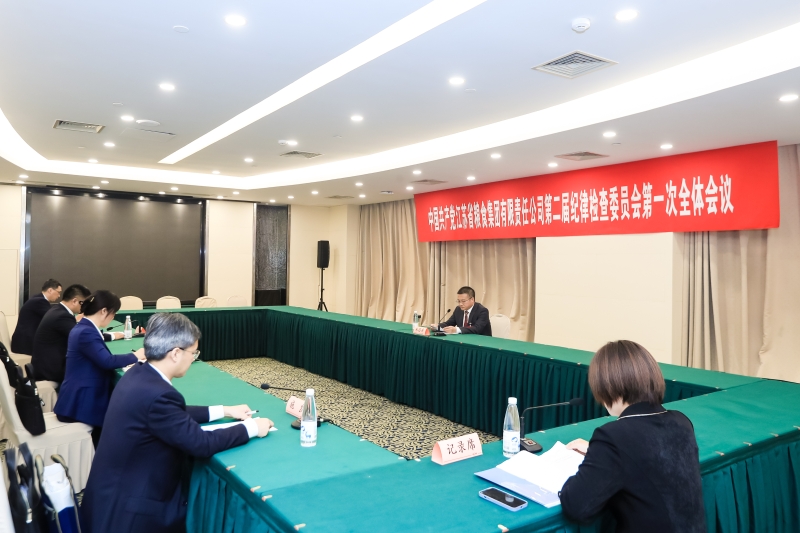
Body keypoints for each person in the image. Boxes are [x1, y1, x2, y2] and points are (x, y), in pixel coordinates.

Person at [80, 313, 274, 533]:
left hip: (108, 498)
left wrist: (224, 410)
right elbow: (201, 444)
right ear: (175, 353)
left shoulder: (139, 374)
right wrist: (252, 427)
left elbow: (171, 414)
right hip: (131, 514)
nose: (193, 358)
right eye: (193, 353)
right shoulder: (159, 394)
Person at [559, 340, 705, 532]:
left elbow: (577, 507)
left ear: (608, 387)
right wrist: (600, 453)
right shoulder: (681, 421)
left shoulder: (613, 436)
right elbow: (646, 454)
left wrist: (599, 456)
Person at [54, 290, 145, 446]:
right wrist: (136, 356)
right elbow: (107, 361)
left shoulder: (85, 327)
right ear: (104, 311)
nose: (113, 317)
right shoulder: (86, 332)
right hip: (80, 403)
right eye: (113, 313)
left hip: (81, 396)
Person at [31, 284, 124, 385]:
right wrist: (112, 336)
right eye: (83, 303)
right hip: (50, 371)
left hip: (46, 364)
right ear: (75, 301)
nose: (85, 307)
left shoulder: (58, 310)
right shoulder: (62, 316)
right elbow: (84, 336)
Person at [10, 279, 62, 355]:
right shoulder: (40, 301)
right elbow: (53, 318)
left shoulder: (37, 298)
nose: (59, 295)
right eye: (58, 292)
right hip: (26, 343)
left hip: (23, 341)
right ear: (50, 290)